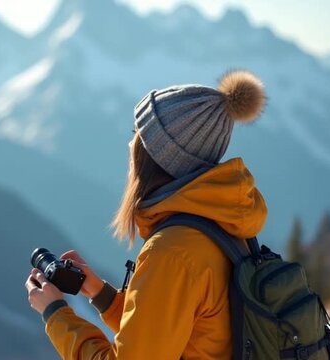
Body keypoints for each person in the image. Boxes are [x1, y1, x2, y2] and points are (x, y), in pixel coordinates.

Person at [24, 70, 268, 359]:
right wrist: (102, 295)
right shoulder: (220, 224)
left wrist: (55, 314)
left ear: (157, 155)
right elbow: (180, 331)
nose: (131, 145)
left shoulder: (173, 252)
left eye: (137, 135)